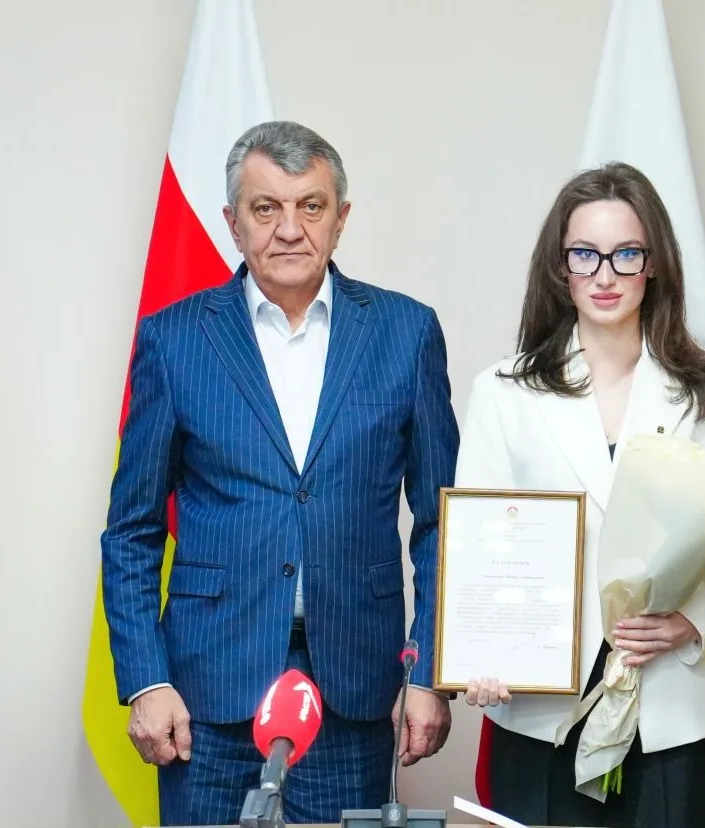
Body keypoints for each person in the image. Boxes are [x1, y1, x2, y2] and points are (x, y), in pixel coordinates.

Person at [100, 120, 459, 826]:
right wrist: (145, 680)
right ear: (232, 222)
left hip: (354, 688)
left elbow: (443, 525)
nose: (289, 229)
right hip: (205, 696)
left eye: (310, 207)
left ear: (340, 219)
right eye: (266, 208)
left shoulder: (406, 333)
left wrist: (429, 674)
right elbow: (132, 532)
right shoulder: (175, 339)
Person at [456, 162, 705, 827]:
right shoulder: (503, 392)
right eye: (585, 254)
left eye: (625, 254)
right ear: (560, 266)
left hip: (672, 707)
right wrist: (482, 653)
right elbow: (480, 546)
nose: (604, 275)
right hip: (540, 707)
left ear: (653, 263)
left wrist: (691, 620)